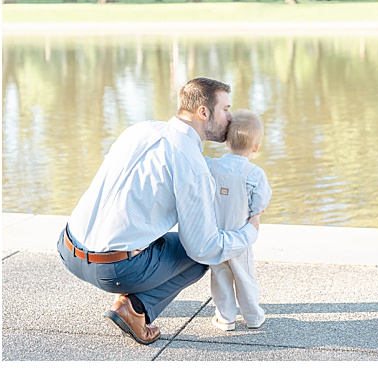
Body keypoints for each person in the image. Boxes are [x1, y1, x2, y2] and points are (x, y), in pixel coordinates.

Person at [57, 78, 260, 346]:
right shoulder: (192, 163)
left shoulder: (139, 130)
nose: (230, 117)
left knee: (155, 229)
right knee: (196, 255)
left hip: (67, 248)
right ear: (203, 112)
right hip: (111, 269)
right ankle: (137, 308)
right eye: (225, 109)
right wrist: (249, 232)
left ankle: (131, 289)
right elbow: (204, 248)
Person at [206, 109, 272, 330]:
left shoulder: (211, 166)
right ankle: (253, 316)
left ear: (226, 142)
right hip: (240, 235)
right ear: (255, 147)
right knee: (245, 277)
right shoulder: (254, 174)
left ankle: (226, 318)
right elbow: (260, 203)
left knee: (220, 276)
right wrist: (255, 214)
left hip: (215, 235)